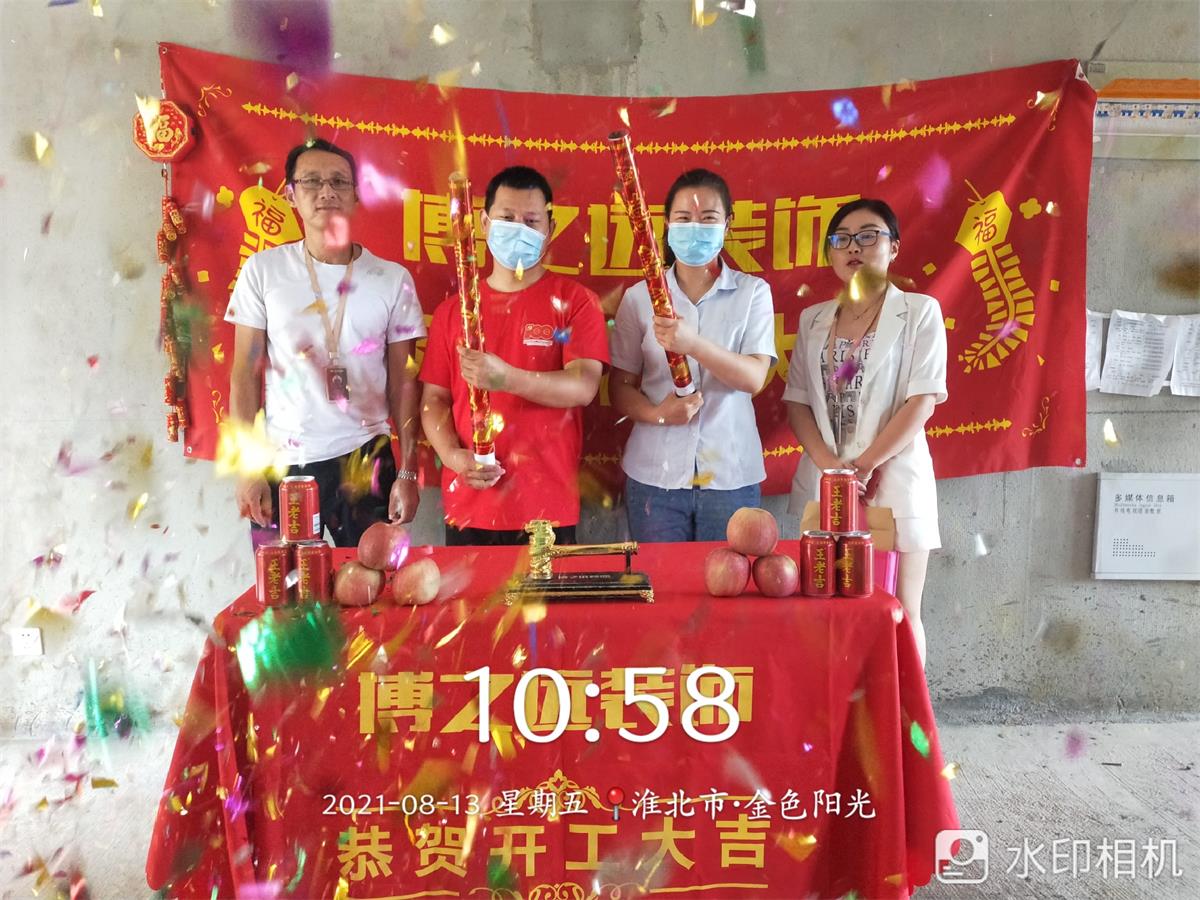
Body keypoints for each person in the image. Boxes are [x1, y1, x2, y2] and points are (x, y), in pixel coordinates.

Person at [226, 137, 425, 547]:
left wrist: (407, 472)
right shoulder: (262, 271)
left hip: (365, 458)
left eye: (339, 182)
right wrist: (248, 468)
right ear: (290, 194)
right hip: (283, 464)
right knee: (289, 583)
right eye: (312, 181)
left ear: (356, 195)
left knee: (373, 580)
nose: (327, 191)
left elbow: (404, 384)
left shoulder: (391, 280)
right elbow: (244, 374)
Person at [784, 198, 947, 665]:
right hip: (825, 481)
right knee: (824, 608)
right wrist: (833, 470)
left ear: (894, 247)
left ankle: (903, 706)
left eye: (868, 235)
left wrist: (865, 465)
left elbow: (922, 400)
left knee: (900, 609)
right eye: (842, 239)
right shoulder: (813, 319)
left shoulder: (919, 311)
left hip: (894, 479)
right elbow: (797, 402)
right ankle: (833, 702)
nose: (854, 247)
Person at [419, 165, 609, 545]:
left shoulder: (575, 302)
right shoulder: (453, 312)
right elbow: (434, 400)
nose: (519, 229)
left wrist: (505, 378)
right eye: (507, 218)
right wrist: (454, 456)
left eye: (531, 221)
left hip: (546, 507)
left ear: (550, 229)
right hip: (470, 504)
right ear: (484, 223)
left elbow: (583, 386)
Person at [609, 169, 776, 542]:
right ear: (667, 223)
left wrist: (692, 344)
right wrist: (659, 414)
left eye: (708, 218)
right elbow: (619, 388)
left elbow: (754, 378)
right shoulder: (639, 298)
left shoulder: (753, 292)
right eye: (684, 218)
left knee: (729, 577)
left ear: (728, 223)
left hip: (731, 474)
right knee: (659, 578)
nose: (695, 227)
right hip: (655, 476)